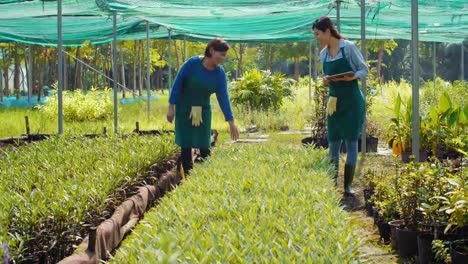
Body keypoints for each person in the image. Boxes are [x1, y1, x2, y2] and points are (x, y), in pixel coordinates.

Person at [312, 17, 368, 196]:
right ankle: (333, 184)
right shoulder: (324, 54)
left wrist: (353, 76)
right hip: (334, 102)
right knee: (333, 144)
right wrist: (326, 80)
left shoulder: (349, 47)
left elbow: (364, 69)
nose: (317, 38)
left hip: (352, 101)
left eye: (318, 34)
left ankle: (348, 187)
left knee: (351, 143)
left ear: (328, 31)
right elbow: (325, 77)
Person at [166, 38, 239, 174]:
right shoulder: (192, 64)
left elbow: (223, 98)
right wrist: (171, 107)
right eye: (221, 54)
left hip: (202, 110)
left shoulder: (219, 73)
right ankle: (188, 175)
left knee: (204, 144)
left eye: (225, 55)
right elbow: (177, 85)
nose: (223, 58)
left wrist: (231, 122)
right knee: (186, 143)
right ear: (211, 50)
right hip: (185, 108)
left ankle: (206, 176)